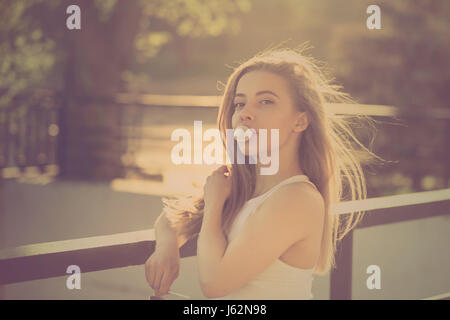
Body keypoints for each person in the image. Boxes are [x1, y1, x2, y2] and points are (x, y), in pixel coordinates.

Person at [144, 45, 380, 299]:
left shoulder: (296, 198)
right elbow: (171, 219)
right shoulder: (241, 186)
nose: (245, 113)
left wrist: (214, 205)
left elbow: (214, 285)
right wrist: (166, 248)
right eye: (239, 103)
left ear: (300, 121)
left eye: (266, 101)